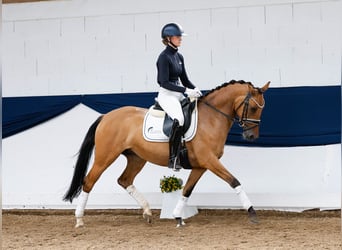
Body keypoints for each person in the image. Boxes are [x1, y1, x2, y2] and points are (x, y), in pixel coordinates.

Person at [156, 23, 202, 171]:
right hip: (167, 95)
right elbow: (164, 82)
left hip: (179, 94)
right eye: (178, 37)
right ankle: (174, 158)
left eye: (180, 36)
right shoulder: (163, 57)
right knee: (180, 119)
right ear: (168, 38)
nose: (180, 39)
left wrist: (195, 89)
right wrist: (185, 90)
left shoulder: (179, 56)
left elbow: (185, 79)